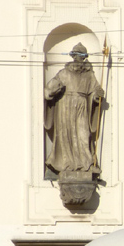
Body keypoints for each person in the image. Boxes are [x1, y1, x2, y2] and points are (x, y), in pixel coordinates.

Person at [44, 43, 105, 176]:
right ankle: (67, 165)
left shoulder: (90, 75)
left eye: (82, 57)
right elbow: (49, 90)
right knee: (66, 136)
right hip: (65, 106)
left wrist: (97, 96)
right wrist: (53, 91)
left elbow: (94, 92)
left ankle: (87, 165)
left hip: (82, 106)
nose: (79, 59)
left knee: (84, 135)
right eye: (77, 56)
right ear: (73, 56)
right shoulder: (63, 73)